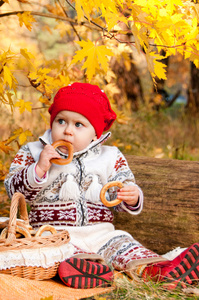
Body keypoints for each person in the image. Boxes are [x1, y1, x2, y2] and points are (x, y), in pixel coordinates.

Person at [4, 82, 199, 289]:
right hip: (53, 234)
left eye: (78, 125)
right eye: (61, 121)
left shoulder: (110, 156)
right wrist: (39, 169)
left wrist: (131, 196)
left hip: (102, 232)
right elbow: (13, 191)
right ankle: (89, 270)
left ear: (95, 133)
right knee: (61, 254)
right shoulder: (34, 151)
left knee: (125, 245)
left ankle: (158, 270)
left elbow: (120, 188)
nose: (68, 131)